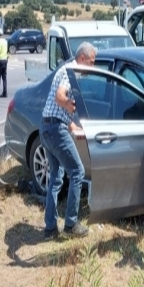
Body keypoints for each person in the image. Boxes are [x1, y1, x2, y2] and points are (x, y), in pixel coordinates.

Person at [41, 42, 97, 240]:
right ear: (82, 58)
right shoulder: (70, 71)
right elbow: (59, 97)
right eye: (92, 62)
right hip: (55, 129)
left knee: (56, 178)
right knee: (78, 172)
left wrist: (73, 127)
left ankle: (50, 228)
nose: (93, 67)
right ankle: (71, 224)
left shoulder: (66, 70)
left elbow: (58, 108)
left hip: (47, 128)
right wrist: (69, 105)